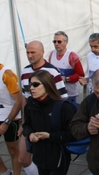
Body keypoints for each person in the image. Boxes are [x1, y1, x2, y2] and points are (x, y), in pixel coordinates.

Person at [19, 41, 68, 175]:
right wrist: (23, 123)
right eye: (27, 52)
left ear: (42, 52)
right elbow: (25, 98)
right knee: (23, 158)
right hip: (32, 118)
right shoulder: (25, 71)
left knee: (51, 162)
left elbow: (63, 97)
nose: (30, 55)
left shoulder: (52, 71)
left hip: (50, 122)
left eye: (33, 52)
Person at [23, 70, 76, 175]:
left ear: (47, 85)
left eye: (36, 84)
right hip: (39, 156)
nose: (31, 88)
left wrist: (50, 136)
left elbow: (73, 133)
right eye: (30, 84)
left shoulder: (63, 107)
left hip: (58, 157)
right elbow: (26, 124)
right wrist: (30, 134)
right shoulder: (30, 105)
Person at [48, 31, 85, 104]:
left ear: (66, 42)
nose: (56, 44)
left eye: (59, 42)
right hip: (56, 93)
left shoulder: (72, 56)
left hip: (70, 94)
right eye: (54, 41)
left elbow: (81, 74)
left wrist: (66, 79)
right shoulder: (52, 54)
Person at [0, 64, 23, 175]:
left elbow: (19, 100)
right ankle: (5, 172)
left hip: (10, 118)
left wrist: (7, 122)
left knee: (13, 150)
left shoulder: (6, 74)